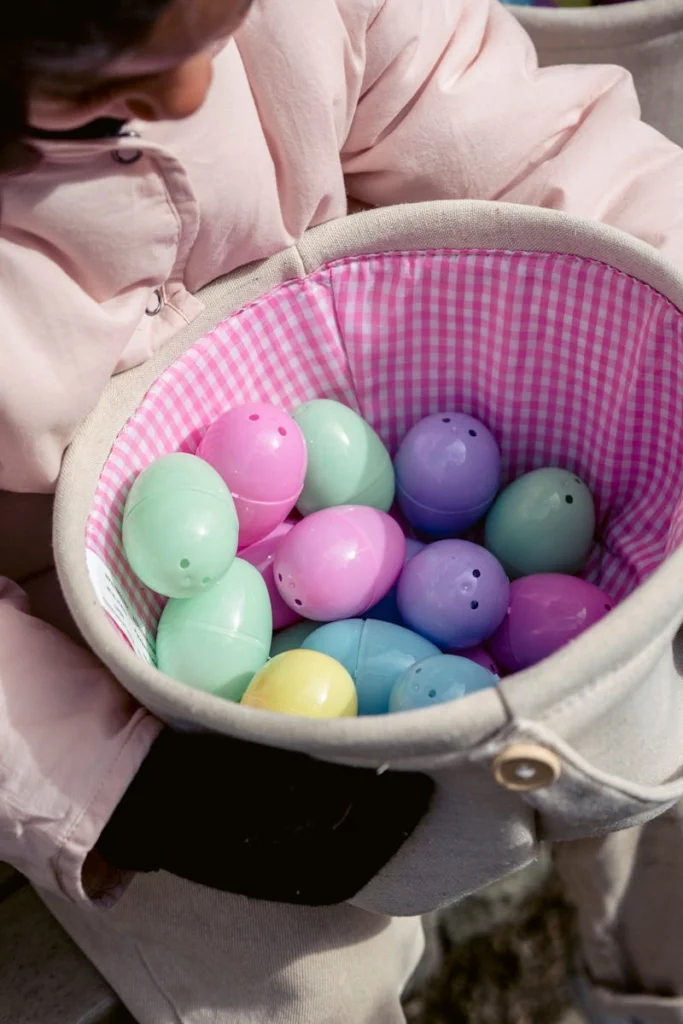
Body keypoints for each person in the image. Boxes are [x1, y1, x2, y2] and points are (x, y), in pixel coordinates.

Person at [2, 1, 683, 1021]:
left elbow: (526, 139)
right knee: (299, 984)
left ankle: (646, 990)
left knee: (646, 745)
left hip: (347, 445)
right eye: (86, 68)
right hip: (76, 631)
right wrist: (103, 781)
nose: (191, 91)